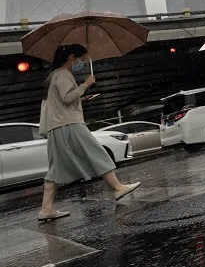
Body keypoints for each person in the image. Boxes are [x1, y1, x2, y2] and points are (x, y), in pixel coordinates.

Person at [38, 44, 141, 221]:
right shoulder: (63, 74)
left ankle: (46, 208)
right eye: (82, 59)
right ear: (71, 58)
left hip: (58, 126)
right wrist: (85, 84)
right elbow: (67, 97)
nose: (83, 62)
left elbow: (65, 100)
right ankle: (117, 188)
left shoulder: (55, 75)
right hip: (69, 125)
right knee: (96, 152)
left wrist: (81, 97)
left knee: (56, 168)